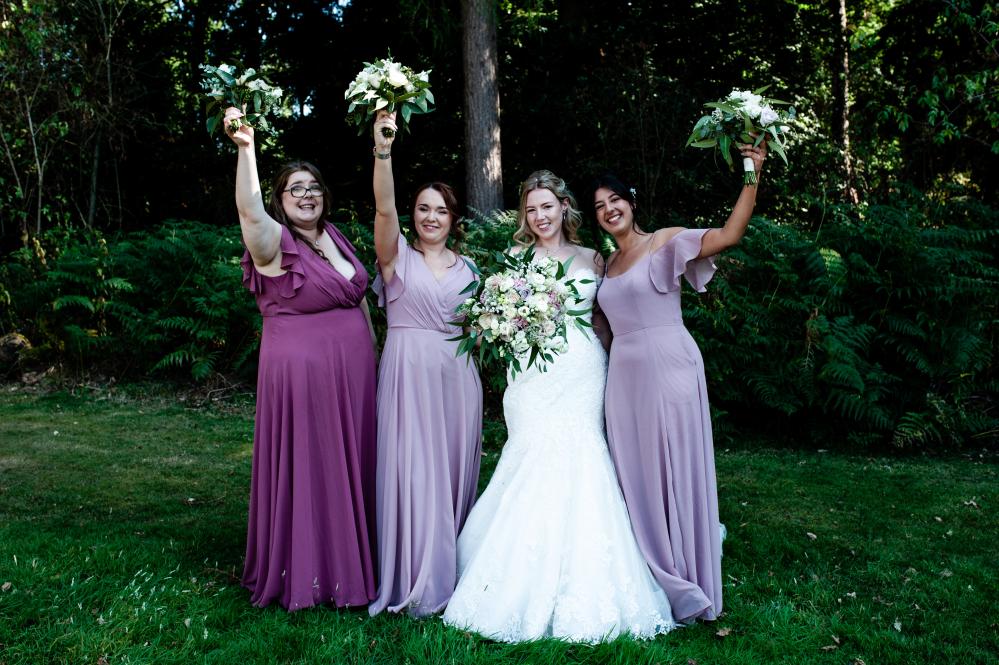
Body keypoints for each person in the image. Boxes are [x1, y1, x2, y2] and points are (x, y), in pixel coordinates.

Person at [442, 170, 676, 643]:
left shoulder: (594, 257)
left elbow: (604, 319)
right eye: (531, 209)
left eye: (547, 206)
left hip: (583, 371)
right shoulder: (514, 259)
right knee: (530, 454)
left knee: (583, 455)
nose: (540, 216)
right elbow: (495, 318)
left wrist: (625, 366)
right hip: (531, 376)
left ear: (564, 207)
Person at [592, 141, 767, 622]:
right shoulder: (605, 266)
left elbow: (730, 234)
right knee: (637, 469)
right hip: (623, 376)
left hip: (669, 364)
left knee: (675, 461)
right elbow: (601, 326)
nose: (609, 210)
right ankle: (652, 563)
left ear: (632, 201)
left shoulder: (664, 241)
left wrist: (752, 171)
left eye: (615, 199)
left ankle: (688, 568)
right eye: (600, 206)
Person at [225, 106, 378, 611]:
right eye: (296, 189)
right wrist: (246, 148)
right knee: (312, 463)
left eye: (313, 187)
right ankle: (313, 570)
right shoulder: (273, 242)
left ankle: (355, 557)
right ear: (280, 199)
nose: (307, 195)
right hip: (303, 375)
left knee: (351, 461)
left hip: (353, 375)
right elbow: (249, 211)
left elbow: (357, 298)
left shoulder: (334, 236)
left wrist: (374, 353)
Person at [366, 111, 483, 617]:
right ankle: (413, 571)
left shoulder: (471, 270)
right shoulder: (395, 257)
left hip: (458, 379)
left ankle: (449, 567)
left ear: (453, 218)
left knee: (451, 471)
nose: (431, 217)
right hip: (408, 374)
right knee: (412, 470)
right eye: (422, 209)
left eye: (441, 210)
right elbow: (383, 208)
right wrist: (384, 151)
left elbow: (482, 330)